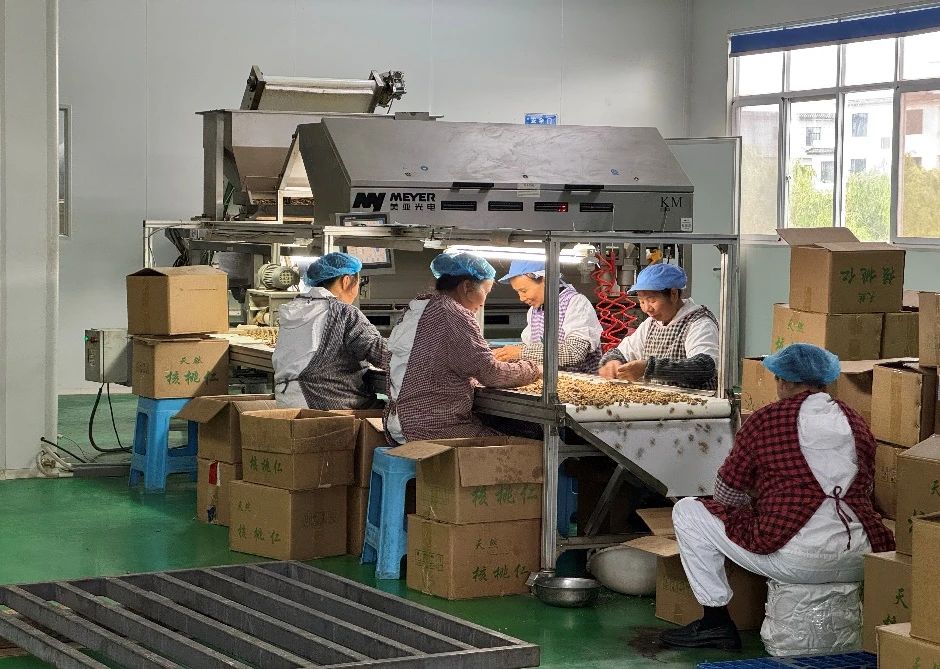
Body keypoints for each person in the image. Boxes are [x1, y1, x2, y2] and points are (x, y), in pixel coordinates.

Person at [660, 344, 894, 650]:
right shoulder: (856, 421)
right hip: (861, 555)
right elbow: (865, 488)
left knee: (688, 511)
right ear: (826, 380)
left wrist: (755, 505)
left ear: (783, 380)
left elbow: (726, 492)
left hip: (797, 558)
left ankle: (715, 622)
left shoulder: (766, 419)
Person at [384, 252, 541, 443]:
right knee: (530, 438)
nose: (483, 302)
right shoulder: (453, 314)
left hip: (399, 423)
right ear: (466, 286)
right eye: (486, 292)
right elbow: (491, 373)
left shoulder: (419, 306)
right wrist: (534, 370)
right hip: (431, 428)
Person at [273, 252, 387, 410]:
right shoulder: (344, 313)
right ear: (346, 281)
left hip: (285, 400)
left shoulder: (295, 308)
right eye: (358, 284)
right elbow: (383, 355)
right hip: (323, 401)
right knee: (393, 413)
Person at [597, 263, 718, 390]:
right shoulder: (650, 324)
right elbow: (621, 352)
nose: (647, 309)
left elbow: (704, 367)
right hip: (660, 400)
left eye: (652, 300)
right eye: (642, 301)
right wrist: (613, 361)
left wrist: (649, 368)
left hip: (696, 401)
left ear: (673, 294)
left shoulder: (699, 323)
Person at [492, 259, 603, 373]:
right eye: (518, 292)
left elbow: (573, 353)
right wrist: (505, 353)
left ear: (546, 281)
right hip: (549, 379)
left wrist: (520, 352)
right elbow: (531, 346)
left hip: (582, 381)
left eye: (524, 291)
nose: (521, 298)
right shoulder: (534, 310)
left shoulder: (576, 303)